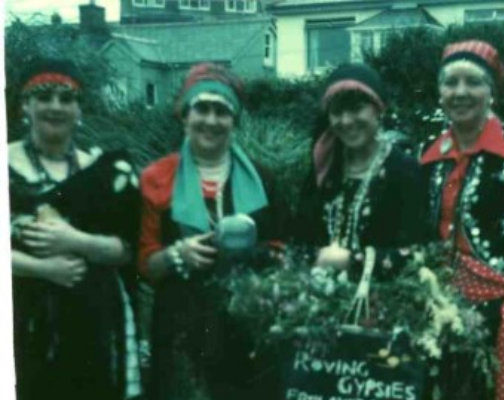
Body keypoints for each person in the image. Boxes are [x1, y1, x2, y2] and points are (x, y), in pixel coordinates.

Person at [138, 63, 286, 400]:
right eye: (201, 108)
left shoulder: (263, 181)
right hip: (179, 333)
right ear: (184, 114)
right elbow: (145, 263)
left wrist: (259, 256)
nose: (211, 120)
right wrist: (179, 254)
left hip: (246, 332)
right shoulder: (157, 178)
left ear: (234, 121)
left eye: (222, 111)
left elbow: (281, 249)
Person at [420, 40, 504, 399]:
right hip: (445, 314)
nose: (460, 92)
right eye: (451, 83)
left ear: (491, 91)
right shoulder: (429, 154)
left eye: (473, 82)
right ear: (439, 92)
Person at [9, 58, 142, 400]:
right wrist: (43, 269)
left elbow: (127, 250)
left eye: (66, 99)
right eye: (44, 96)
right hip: (21, 322)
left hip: (93, 324)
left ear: (79, 110)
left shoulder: (106, 172)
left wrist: (74, 240)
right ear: (26, 104)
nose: (56, 106)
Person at [295, 63, 428, 282]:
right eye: (337, 112)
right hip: (319, 299)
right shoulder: (324, 170)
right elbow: (299, 241)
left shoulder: (404, 171)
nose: (346, 121)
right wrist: (318, 258)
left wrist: (350, 261)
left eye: (356, 109)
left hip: (386, 301)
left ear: (378, 109)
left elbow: (417, 254)